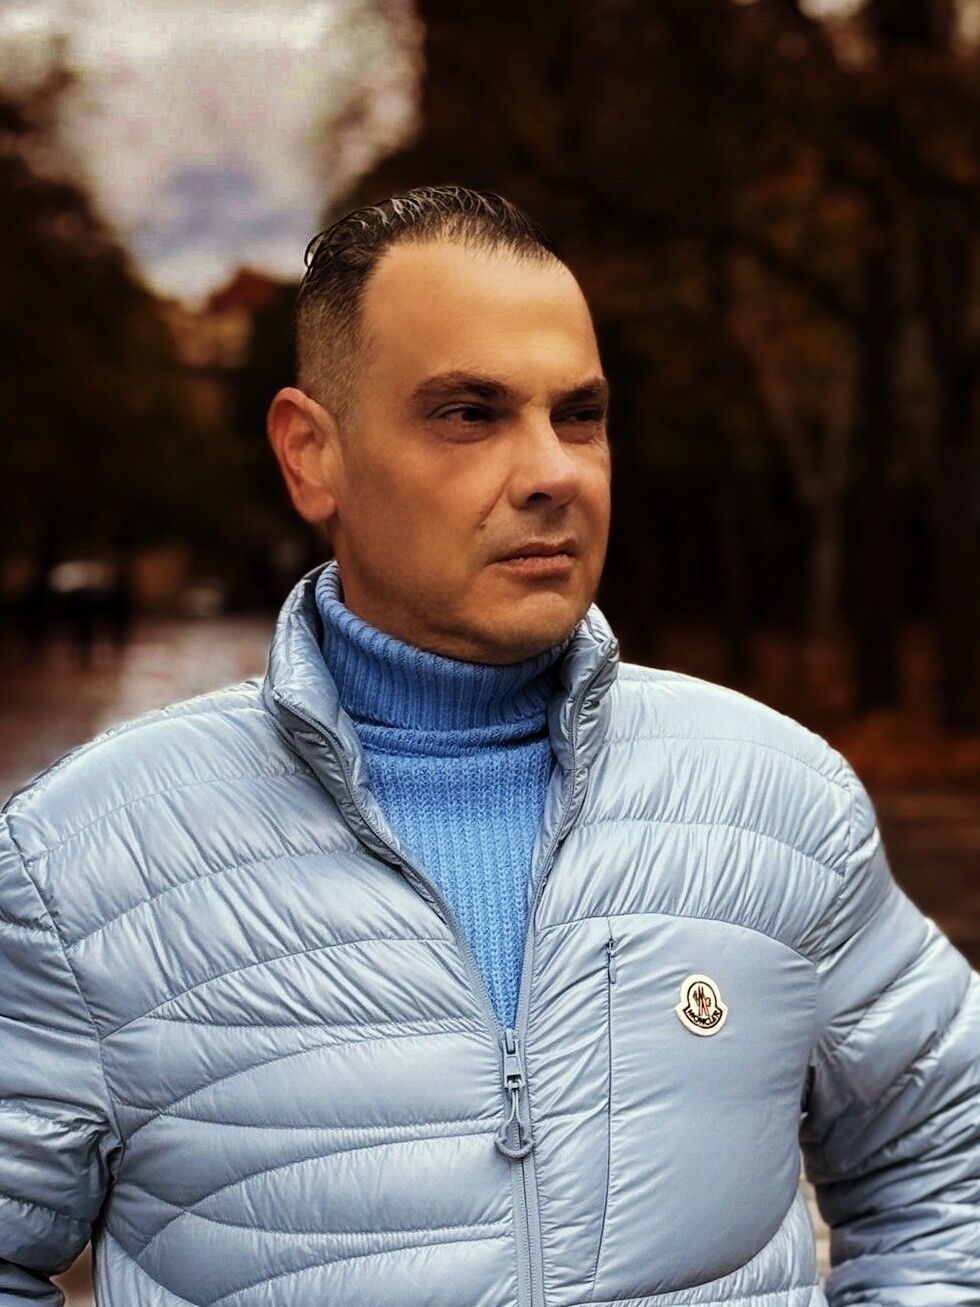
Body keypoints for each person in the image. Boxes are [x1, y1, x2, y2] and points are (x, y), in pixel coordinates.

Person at [1, 186, 977, 1307]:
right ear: (310, 454)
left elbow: (946, 1153)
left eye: (580, 415)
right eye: (470, 413)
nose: (553, 470)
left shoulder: (779, 800)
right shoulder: (82, 859)